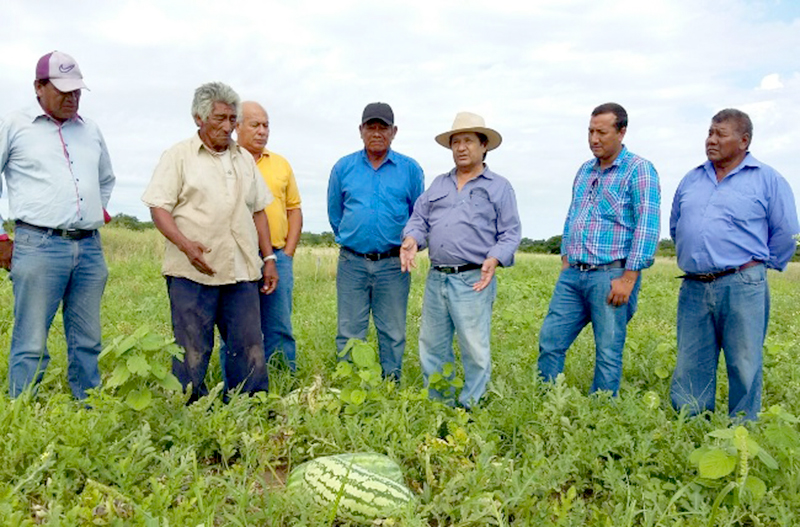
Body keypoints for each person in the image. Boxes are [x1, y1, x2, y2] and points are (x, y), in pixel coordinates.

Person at [142, 82, 277, 403]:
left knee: (249, 346)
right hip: (192, 273)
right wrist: (186, 246)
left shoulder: (243, 159)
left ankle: (251, 407)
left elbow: (259, 211)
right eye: (220, 118)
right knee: (192, 348)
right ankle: (190, 409)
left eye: (232, 119)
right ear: (198, 118)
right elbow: (159, 208)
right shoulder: (178, 156)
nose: (228, 126)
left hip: (242, 271)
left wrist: (269, 259)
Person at [669, 109, 799, 421]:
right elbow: (676, 225)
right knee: (691, 360)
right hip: (694, 284)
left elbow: (785, 233)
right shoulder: (692, 178)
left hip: (742, 282)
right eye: (709, 133)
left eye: (720, 134)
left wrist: (756, 268)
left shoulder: (768, 179)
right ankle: (692, 425)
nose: (711, 140)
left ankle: (741, 428)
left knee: (744, 360)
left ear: (743, 141)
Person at [0, 51, 115, 399]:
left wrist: (94, 212)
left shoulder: (90, 130)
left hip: (89, 248)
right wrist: (1, 237)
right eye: (63, 90)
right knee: (31, 338)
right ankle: (23, 407)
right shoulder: (15, 125)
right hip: (39, 245)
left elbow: (106, 179)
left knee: (88, 339)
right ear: (38, 87)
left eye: (77, 90)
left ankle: (88, 405)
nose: (72, 97)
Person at [537, 102, 660, 396]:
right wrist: (566, 258)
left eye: (601, 132)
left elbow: (647, 225)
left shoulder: (639, 170)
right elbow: (572, 215)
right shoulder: (584, 170)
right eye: (590, 131)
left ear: (621, 132)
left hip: (611, 275)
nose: (594, 139)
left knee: (608, 349)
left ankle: (601, 411)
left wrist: (628, 278)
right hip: (574, 274)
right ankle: (547, 400)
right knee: (550, 340)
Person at [401, 112, 521, 409]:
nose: (461, 147)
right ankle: (439, 404)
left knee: (474, 348)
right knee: (432, 345)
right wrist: (412, 239)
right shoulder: (439, 185)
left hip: (473, 279)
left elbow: (510, 233)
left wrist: (495, 258)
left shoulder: (499, 186)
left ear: (484, 146)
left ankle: (471, 407)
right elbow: (419, 220)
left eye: (468, 141)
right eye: (456, 142)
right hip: (437, 277)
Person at [327, 102, 424, 380]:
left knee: (392, 331)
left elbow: (419, 216)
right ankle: (348, 381)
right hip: (352, 262)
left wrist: (409, 243)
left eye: (384, 127)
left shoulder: (410, 170)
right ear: (361, 130)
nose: (377, 132)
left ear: (394, 132)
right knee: (349, 330)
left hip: (393, 264)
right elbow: (336, 215)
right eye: (371, 127)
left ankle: (390, 383)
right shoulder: (343, 168)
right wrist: (355, 239)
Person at [234, 101, 302, 371]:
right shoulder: (227, 161)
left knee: (279, 325)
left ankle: (284, 380)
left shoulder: (281, 164)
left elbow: (294, 209)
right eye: (255, 125)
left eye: (266, 125)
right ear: (237, 126)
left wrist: (287, 252)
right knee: (237, 325)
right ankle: (241, 385)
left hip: (276, 256)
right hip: (238, 256)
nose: (262, 131)